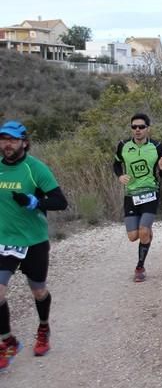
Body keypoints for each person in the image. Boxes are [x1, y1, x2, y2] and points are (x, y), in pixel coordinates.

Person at [0, 121, 68, 368]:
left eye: (13, 139)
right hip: (4, 241)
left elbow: (60, 202)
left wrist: (34, 202)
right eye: (3, 139)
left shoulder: (36, 169)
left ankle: (43, 328)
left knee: (38, 290)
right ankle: (7, 341)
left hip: (33, 241)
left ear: (24, 142)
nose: (7, 144)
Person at [113, 113, 162, 283]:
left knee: (143, 232)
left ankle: (140, 267)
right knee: (132, 236)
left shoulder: (157, 146)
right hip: (131, 195)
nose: (137, 130)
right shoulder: (123, 145)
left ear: (148, 129)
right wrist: (120, 175)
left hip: (151, 193)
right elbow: (116, 163)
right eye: (134, 127)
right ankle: (146, 232)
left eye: (141, 127)